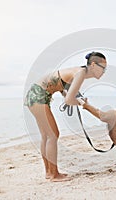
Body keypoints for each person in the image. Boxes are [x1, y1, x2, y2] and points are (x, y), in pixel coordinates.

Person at [24, 52, 107, 182]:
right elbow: (69, 100)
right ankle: (54, 175)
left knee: (46, 136)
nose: (104, 71)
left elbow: (63, 88)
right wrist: (83, 103)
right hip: (38, 97)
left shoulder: (79, 72)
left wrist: (73, 97)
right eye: (103, 68)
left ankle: (49, 172)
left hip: (36, 95)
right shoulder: (80, 74)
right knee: (53, 135)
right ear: (93, 65)